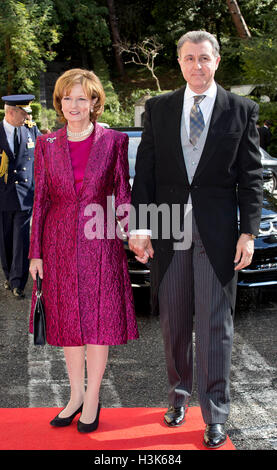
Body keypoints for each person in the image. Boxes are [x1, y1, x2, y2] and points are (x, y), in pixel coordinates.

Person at [129, 31, 263, 448]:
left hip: (218, 234)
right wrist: (141, 226)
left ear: (217, 61)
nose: (197, 66)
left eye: (204, 58)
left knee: (213, 326)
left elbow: (251, 177)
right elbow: (145, 173)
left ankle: (215, 412)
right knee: (172, 322)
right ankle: (178, 396)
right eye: (189, 59)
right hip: (168, 231)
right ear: (180, 62)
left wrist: (249, 232)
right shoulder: (159, 108)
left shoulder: (241, 111)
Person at [29, 68, 139, 433]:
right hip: (57, 242)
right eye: (66, 98)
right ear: (59, 104)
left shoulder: (115, 142)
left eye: (80, 98)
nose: (72, 105)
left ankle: (92, 397)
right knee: (67, 322)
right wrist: (35, 253)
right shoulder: (46, 145)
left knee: (96, 321)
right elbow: (41, 202)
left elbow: (122, 192)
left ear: (94, 102)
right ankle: (75, 395)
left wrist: (135, 233)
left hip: (100, 240)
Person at [0, 94, 40, 298]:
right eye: (23, 113)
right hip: (3, 196)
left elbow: (42, 156)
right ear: (10, 112)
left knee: (22, 240)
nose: (26, 117)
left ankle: (18, 281)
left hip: (25, 195)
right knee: (5, 240)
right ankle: (9, 275)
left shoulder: (31, 130)